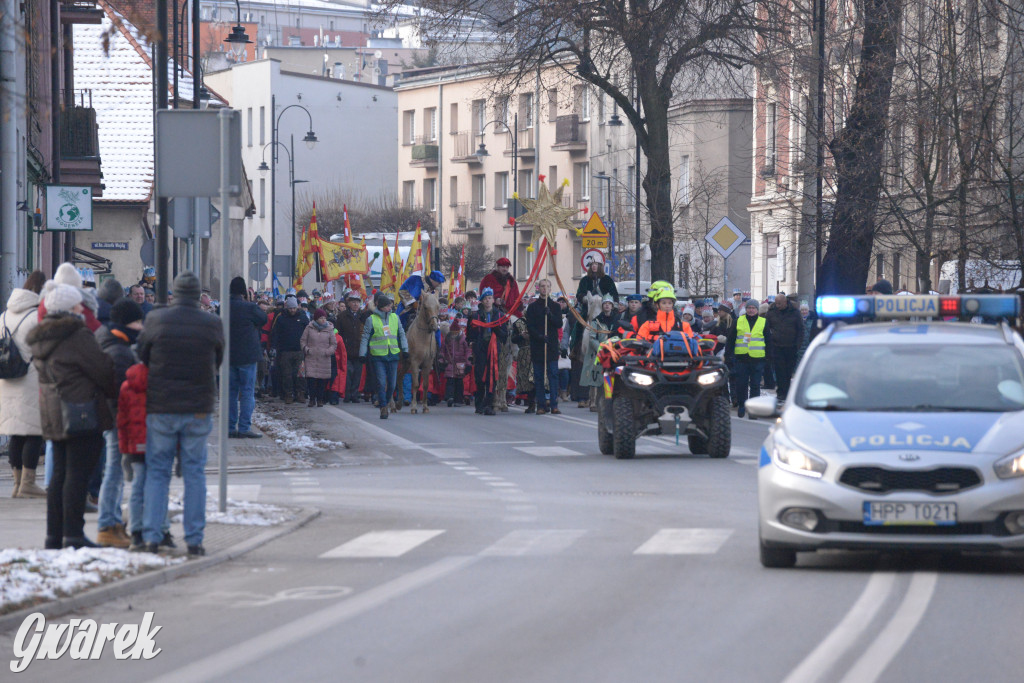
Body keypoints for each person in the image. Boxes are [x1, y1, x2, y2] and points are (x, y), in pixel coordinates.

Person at [136, 271, 224, 557]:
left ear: (174, 293)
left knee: (158, 472)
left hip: (161, 406)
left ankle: (151, 535)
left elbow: (143, 356)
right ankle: (195, 540)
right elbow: (218, 360)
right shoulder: (212, 322)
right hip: (198, 406)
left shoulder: (155, 319)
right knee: (195, 473)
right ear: (199, 295)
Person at [27, 283, 117, 548]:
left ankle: (54, 536)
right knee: (78, 476)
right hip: (81, 412)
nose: (82, 308)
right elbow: (102, 370)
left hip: (53, 412)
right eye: (78, 304)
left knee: (59, 477)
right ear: (69, 308)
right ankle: (74, 535)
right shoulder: (77, 335)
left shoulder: (42, 336)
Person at [94, 299, 144, 548]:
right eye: (138, 322)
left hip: (109, 417)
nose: (141, 327)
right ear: (127, 323)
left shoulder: (108, 339)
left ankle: (112, 522)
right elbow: (120, 391)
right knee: (113, 472)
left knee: (112, 470)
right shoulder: (119, 349)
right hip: (115, 419)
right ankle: (107, 524)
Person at [0, 271, 46, 498]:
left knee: (15, 432)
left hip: (8, 379)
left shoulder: (3, 316)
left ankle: (17, 483)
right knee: (34, 431)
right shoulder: (38, 317)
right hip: (31, 379)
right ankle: (28, 483)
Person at [226, 277, 268, 438]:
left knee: (230, 393)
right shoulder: (249, 307)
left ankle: (230, 427)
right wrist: (251, 301)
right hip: (248, 356)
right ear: (244, 292)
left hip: (229, 356)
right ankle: (244, 428)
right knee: (247, 392)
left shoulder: (224, 307)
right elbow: (263, 319)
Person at [360, 294, 408, 420]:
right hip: (378, 356)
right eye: (387, 305)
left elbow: (401, 334)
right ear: (381, 307)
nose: (390, 307)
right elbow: (365, 337)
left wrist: (405, 349)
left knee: (392, 384)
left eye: (390, 305)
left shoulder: (395, 317)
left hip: (393, 355)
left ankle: (385, 402)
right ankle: (383, 406)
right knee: (381, 383)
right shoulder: (371, 319)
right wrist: (362, 353)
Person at [467, 288, 508, 416]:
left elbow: (504, 335)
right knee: (480, 377)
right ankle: (479, 404)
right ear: (482, 300)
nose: (488, 301)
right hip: (480, 348)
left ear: (493, 299)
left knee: (492, 377)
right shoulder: (476, 315)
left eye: (490, 298)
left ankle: (489, 404)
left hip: (494, 349)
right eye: (485, 298)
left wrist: (496, 329)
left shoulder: (499, 315)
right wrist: (472, 342)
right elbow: (470, 334)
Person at [526, 279, 563, 415]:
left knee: (553, 375)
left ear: (550, 289)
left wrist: (550, 315)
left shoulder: (555, 306)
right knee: (539, 376)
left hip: (551, 346)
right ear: (538, 288)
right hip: (538, 346)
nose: (544, 289)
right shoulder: (533, 307)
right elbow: (530, 326)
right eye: (542, 286)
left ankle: (554, 404)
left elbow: (559, 324)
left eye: (547, 286)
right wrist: (539, 336)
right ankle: (541, 405)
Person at [728, 299, 767, 418]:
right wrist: (728, 355)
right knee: (742, 384)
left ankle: (753, 410)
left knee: (755, 385)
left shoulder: (763, 322)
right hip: (742, 358)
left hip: (757, 359)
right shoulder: (738, 321)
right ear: (746, 309)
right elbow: (731, 339)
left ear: (757, 310)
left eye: (753, 308)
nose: (751, 310)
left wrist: (769, 357)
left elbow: (768, 340)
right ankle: (742, 405)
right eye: (749, 308)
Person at [580, 294, 619, 410]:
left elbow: (618, 334)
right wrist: (601, 348)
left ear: (612, 306)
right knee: (595, 376)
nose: (607, 305)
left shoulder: (617, 320)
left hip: (612, 351)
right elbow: (592, 337)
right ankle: (593, 401)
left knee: (609, 376)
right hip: (599, 352)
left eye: (609, 304)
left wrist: (612, 347)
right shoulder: (596, 321)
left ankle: (608, 401)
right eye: (605, 304)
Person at [765, 291, 804, 402]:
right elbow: (767, 328)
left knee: (788, 371)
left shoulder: (795, 312)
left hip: (791, 347)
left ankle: (787, 392)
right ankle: (781, 393)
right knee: (779, 371)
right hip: (777, 347)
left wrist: (798, 345)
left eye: (780, 304)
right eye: (776, 303)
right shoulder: (771, 312)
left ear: (785, 302)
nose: (778, 306)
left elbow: (800, 329)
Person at [271, 295, 309, 404]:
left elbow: (308, 332)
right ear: (287, 308)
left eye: (294, 308)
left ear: (297, 307)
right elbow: (276, 334)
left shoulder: (302, 318)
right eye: (290, 308)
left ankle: (300, 393)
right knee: (286, 374)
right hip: (285, 351)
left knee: (300, 374)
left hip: (299, 351)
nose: (292, 310)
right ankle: (288, 394)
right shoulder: (281, 318)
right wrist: (274, 347)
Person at [301, 308, 338, 408]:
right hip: (311, 357)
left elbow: (334, 344)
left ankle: (320, 399)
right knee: (311, 380)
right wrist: (307, 349)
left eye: (324, 318)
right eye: (321, 318)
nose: (323, 320)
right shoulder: (309, 328)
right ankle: (312, 399)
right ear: (316, 318)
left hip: (324, 358)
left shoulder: (329, 329)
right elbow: (303, 340)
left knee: (322, 381)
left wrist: (328, 352)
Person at [337, 293, 371, 403]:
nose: (356, 304)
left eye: (357, 302)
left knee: (357, 374)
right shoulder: (342, 316)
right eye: (353, 302)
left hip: (359, 350)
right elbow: (338, 333)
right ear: (348, 303)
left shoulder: (363, 316)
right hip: (346, 350)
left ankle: (355, 394)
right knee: (348, 373)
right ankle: (347, 394)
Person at [440, 317, 471, 407]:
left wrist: (468, 363)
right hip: (450, 364)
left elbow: (468, 352)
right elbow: (442, 351)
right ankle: (450, 397)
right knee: (450, 382)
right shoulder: (447, 339)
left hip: (460, 364)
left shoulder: (463, 339)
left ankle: (458, 399)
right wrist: (441, 360)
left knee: (459, 382)